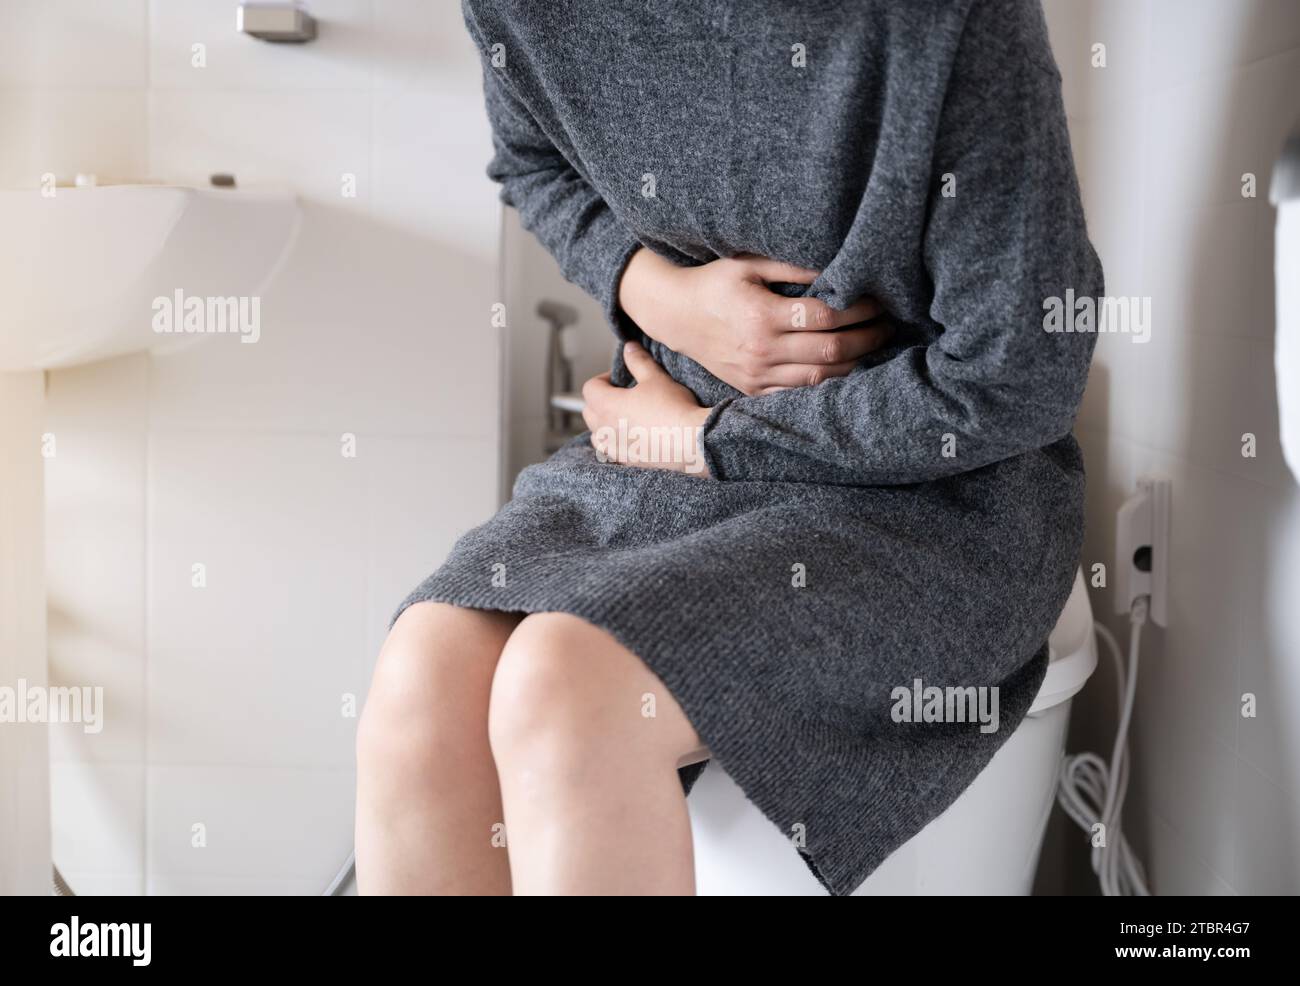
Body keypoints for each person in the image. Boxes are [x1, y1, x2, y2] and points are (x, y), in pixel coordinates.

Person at [356, 0, 1101, 896]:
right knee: (422, 676)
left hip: (927, 480)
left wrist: (711, 441)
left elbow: (1017, 377)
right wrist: (658, 294)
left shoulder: (936, 20)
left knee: (567, 688)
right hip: (668, 442)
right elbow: (533, 163)